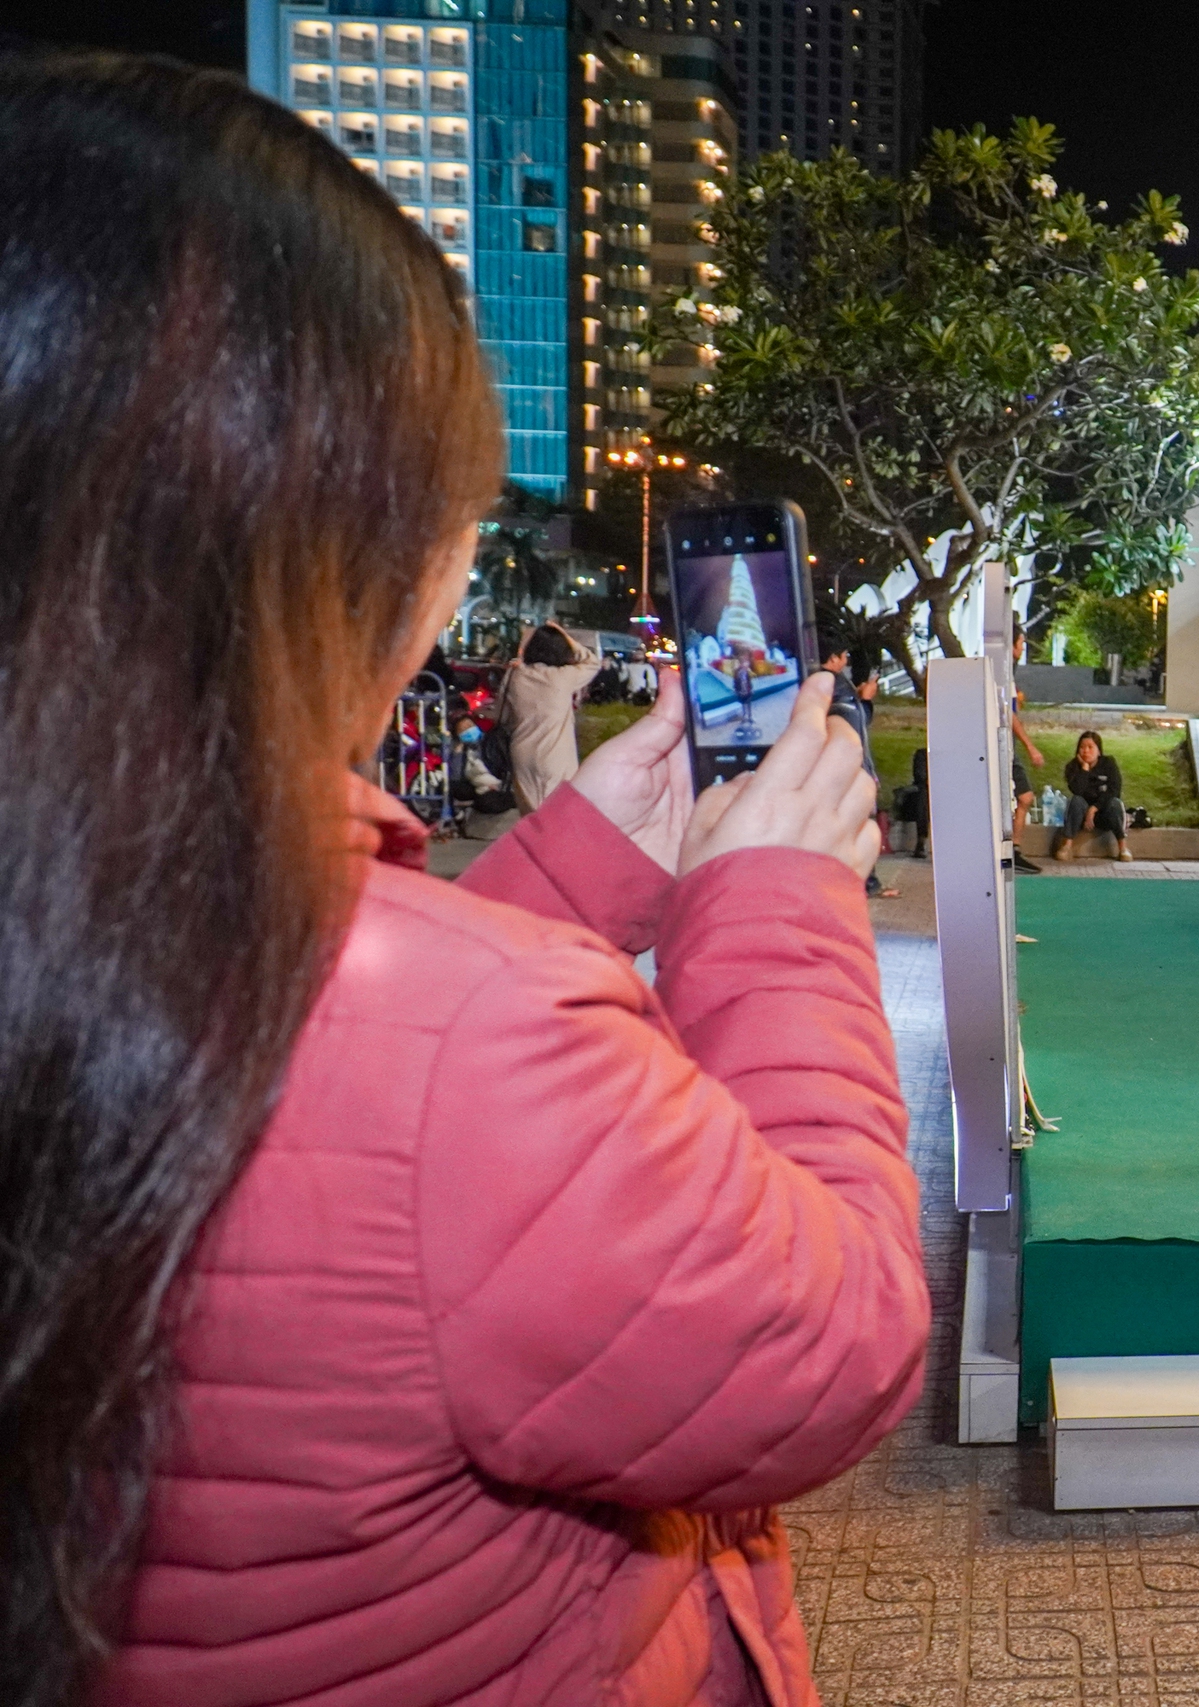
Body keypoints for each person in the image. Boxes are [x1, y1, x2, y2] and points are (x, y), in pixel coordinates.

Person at [0, 59, 928, 1707]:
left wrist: (590, 866)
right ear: (329, 532)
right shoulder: (475, 1050)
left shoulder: (95, 887)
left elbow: (364, 1073)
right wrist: (775, 909)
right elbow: (836, 1341)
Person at [500, 620, 601, 811]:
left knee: (530, 818)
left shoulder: (514, 675)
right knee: (557, 817)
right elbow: (592, 662)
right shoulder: (565, 676)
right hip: (556, 755)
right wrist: (566, 637)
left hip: (522, 754)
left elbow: (502, 715)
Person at [824, 647, 897, 899]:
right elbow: (855, 723)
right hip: (851, 772)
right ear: (833, 658)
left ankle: (863, 881)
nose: (845, 662)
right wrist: (864, 700)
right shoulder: (832, 685)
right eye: (842, 656)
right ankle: (866, 882)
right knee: (860, 825)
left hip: (849, 771)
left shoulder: (832, 686)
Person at [1054, 729, 1128, 861]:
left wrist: (1094, 808)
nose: (1086, 751)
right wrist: (1085, 768)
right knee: (1076, 800)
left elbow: (1114, 790)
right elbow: (1077, 790)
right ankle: (1066, 846)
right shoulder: (1072, 767)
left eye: (1090, 747)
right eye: (1082, 747)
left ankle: (1123, 848)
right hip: (1082, 816)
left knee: (1115, 803)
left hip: (1103, 812)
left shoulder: (1109, 764)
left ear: (1098, 750)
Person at [1009, 626, 1044, 871]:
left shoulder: (1007, 674)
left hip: (1008, 749)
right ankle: (1011, 852)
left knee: (1025, 797)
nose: (1023, 647)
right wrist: (1031, 747)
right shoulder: (1002, 673)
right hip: (1005, 748)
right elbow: (1008, 715)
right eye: (1021, 642)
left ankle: (1014, 850)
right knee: (1023, 797)